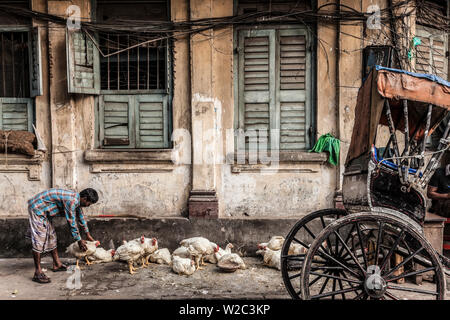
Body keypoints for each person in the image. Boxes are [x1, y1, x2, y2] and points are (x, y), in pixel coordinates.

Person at [26, 188, 99, 284]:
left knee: (52, 237)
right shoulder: (71, 201)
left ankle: (57, 264)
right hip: (37, 209)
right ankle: (37, 272)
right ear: (84, 198)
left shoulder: (76, 201)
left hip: (45, 212)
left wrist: (88, 235)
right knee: (39, 239)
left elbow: (81, 217)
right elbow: (72, 222)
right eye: (89, 203)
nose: (88, 206)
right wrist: (79, 240)